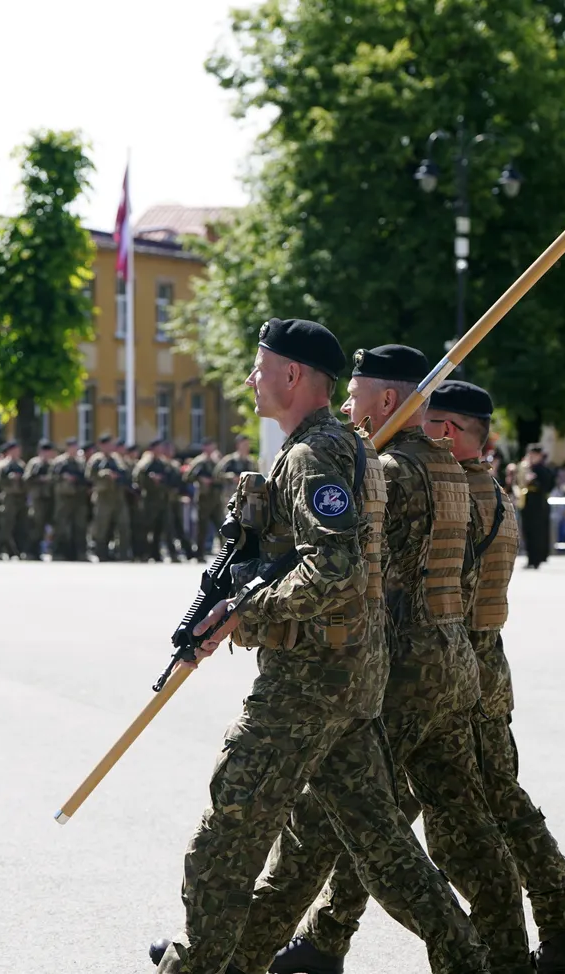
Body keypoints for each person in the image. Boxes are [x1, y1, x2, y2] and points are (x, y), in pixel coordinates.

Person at [149, 319, 491, 974]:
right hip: (352, 680)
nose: (251, 378)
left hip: (307, 686)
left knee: (221, 848)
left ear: (294, 375)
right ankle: (469, 963)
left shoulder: (313, 455)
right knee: (386, 852)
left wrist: (244, 612)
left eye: (260, 366)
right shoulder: (345, 447)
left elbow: (332, 572)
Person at [230, 343, 521, 974]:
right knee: (461, 819)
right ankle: (508, 952)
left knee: (336, 827)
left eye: (356, 393)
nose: (348, 404)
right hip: (455, 660)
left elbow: (350, 572)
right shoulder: (450, 469)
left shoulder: (388, 472)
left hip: (404, 666)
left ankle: (250, 954)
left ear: (387, 399)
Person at [425, 380, 565, 973]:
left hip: (459, 669)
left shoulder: (462, 496)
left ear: (448, 432)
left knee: (456, 822)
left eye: (425, 424)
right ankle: (562, 926)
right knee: (504, 802)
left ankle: (522, 943)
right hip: (486, 663)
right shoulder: (491, 489)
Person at [87, 433, 130, 561]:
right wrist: (104, 475)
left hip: (118, 497)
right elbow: (90, 477)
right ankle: (101, 553)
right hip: (103, 497)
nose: (110, 447)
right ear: (101, 445)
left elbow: (125, 474)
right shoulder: (96, 460)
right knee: (102, 527)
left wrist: (118, 477)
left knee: (123, 525)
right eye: (107, 444)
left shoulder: (117, 459)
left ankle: (122, 553)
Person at [517, 444, 555, 568]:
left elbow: (548, 486)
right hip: (527, 501)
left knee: (537, 532)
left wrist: (534, 481)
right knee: (527, 530)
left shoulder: (543, 469)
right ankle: (530, 558)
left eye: (534, 455)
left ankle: (536, 559)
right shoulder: (527, 468)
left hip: (538, 503)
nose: (531, 457)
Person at [51, 438, 89, 561]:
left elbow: (85, 478)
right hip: (63, 498)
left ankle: (79, 553)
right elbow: (53, 477)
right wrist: (64, 477)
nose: (74, 450)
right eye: (72, 447)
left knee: (80, 526)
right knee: (61, 526)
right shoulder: (60, 462)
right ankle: (58, 553)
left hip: (78, 498)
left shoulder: (80, 463)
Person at [23, 440, 57, 560]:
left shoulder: (53, 464)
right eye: (45, 451)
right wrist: (39, 479)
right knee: (36, 525)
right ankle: (31, 551)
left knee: (52, 525)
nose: (47, 454)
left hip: (50, 498)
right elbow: (27, 479)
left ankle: (51, 550)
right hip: (37, 498)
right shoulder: (34, 463)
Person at [188, 441, 223, 559]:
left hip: (216, 498)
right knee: (202, 527)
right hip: (204, 498)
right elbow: (188, 476)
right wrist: (201, 478)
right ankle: (199, 553)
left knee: (221, 527)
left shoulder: (217, 461)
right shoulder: (199, 461)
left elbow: (221, 476)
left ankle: (225, 555)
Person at [0, 441, 28, 559]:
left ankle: (16, 551)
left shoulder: (21, 465)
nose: (18, 452)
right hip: (8, 497)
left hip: (20, 497)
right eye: (15, 450)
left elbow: (27, 481)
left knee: (20, 525)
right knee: (6, 525)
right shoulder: (2, 465)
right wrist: (11, 480)